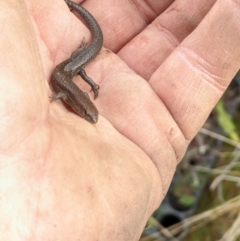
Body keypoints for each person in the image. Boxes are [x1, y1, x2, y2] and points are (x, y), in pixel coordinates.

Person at [1, 0, 239, 240]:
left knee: (81, 64)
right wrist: (54, 97)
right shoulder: (70, 96)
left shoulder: (76, 95)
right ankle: (78, 23)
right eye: (87, 114)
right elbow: (64, 92)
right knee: (79, 66)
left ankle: (79, 25)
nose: (89, 117)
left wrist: (76, 82)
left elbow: (70, 92)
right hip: (68, 72)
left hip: (71, 69)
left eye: (89, 113)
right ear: (81, 110)